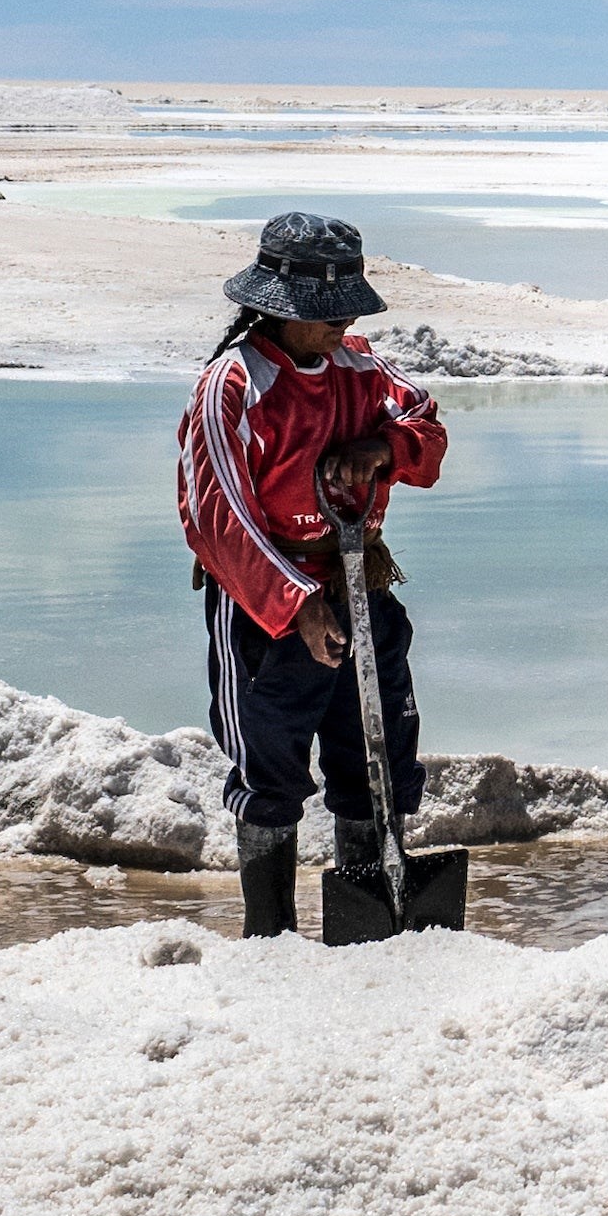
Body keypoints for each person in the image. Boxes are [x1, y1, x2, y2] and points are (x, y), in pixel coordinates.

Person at [176, 212, 450, 940]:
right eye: (325, 312)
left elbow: (426, 425)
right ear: (276, 306)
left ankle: (371, 928)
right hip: (268, 615)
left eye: (347, 307)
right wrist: (296, 608)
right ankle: (269, 935)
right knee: (270, 775)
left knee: (379, 756)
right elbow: (216, 519)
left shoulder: (361, 366)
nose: (343, 321)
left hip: (366, 589)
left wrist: (384, 447)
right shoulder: (232, 385)